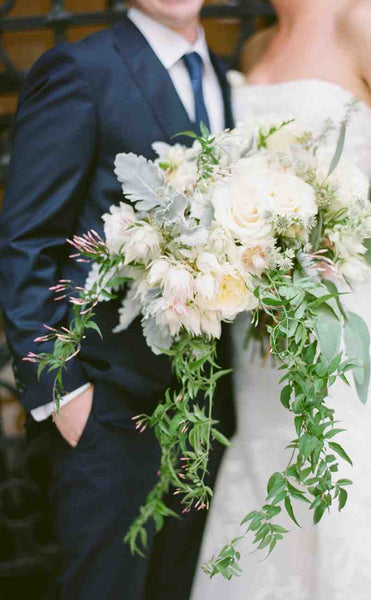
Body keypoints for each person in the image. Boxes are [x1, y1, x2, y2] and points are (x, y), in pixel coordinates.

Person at [191, 1, 371, 598]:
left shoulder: (359, 17)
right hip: (257, 318)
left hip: (334, 304)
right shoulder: (255, 46)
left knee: (343, 457)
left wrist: (332, 245)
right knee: (270, 461)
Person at [0, 1, 235, 599]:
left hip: (208, 413)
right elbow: (27, 240)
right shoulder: (81, 70)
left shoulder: (230, 83)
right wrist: (64, 396)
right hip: (107, 411)